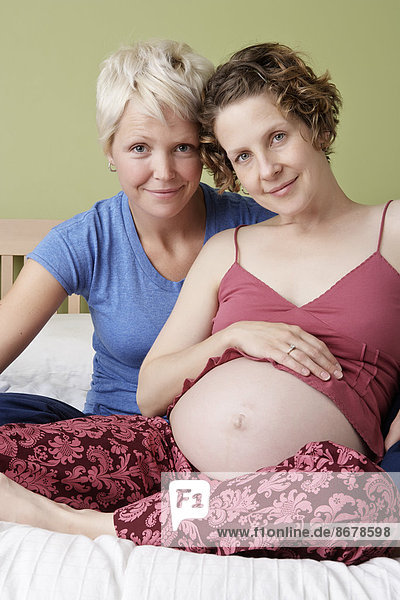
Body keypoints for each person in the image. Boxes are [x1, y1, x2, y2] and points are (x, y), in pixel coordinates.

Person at [0, 42, 398, 566]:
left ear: (317, 126)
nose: (268, 169)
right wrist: (231, 338)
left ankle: (88, 526)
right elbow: (149, 394)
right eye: (243, 157)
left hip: (307, 475)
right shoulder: (226, 246)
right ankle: (163, 519)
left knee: (373, 506)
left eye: (278, 137)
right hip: (165, 451)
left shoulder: (380, 228)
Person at [0, 39, 274, 424]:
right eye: (139, 148)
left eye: (183, 147)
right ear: (110, 150)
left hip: (224, 441)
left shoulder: (257, 227)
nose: (163, 172)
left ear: (207, 148)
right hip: (110, 443)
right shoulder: (86, 240)